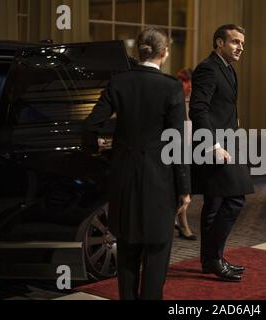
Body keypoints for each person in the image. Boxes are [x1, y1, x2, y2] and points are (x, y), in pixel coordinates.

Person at [82, 28, 191, 300]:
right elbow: (177, 143)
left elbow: (90, 124)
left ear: (137, 52)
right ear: (164, 53)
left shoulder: (119, 82)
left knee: (127, 251)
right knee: (156, 253)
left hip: (124, 180)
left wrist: (95, 149)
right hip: (160, 182)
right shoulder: (171, 86)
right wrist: (185, 189)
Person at [189, 24, 255, 282]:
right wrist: (213, 146)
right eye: (235, 42)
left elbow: (222, 106)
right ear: (219, 43)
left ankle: (209, 260)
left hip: (227, 142)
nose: (240, 47)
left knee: (215, 204)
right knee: (236, 198)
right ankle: (214, 259)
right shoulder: (208, 68)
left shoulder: (228, 69)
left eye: (242, 44)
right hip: (215, 146)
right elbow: (198, 109)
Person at [174, 68, 197, 241]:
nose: (188, 86)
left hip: (193, 146)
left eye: (190, 82)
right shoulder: (173, 100)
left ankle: (180, 219)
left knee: (189, 188)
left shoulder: (194, 100)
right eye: (185, 81)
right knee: (180, 189)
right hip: (176, 147)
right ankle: (182, 222)